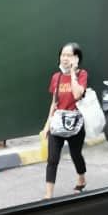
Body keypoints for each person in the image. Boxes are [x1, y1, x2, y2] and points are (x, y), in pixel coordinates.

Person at [41, 42, 88, 199]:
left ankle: (81, 179)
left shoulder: (82, 74)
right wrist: (47, 124)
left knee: (76, 155)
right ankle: (48, 196)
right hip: (58, 121)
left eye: (69, 55)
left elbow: (77, 95)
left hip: (75, 123)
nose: (65, 58)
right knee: (52, 159)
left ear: (76, 58)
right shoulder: (56, 77)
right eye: (63, 55)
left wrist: (73, 73)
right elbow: (54, 102)